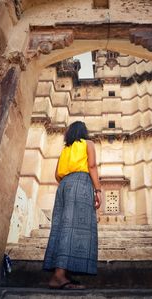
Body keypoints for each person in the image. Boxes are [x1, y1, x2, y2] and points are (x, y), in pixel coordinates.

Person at [43, 121, 102, 289]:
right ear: (84, 132)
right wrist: (97, 190)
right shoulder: (88, 144)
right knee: (75, 229)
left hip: (63, 186)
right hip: (80, 184)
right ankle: (59, 275)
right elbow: (91, 166)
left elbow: (56, 175)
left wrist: (67, 184)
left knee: (63, 227)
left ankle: (63, 273)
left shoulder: (65, 150)